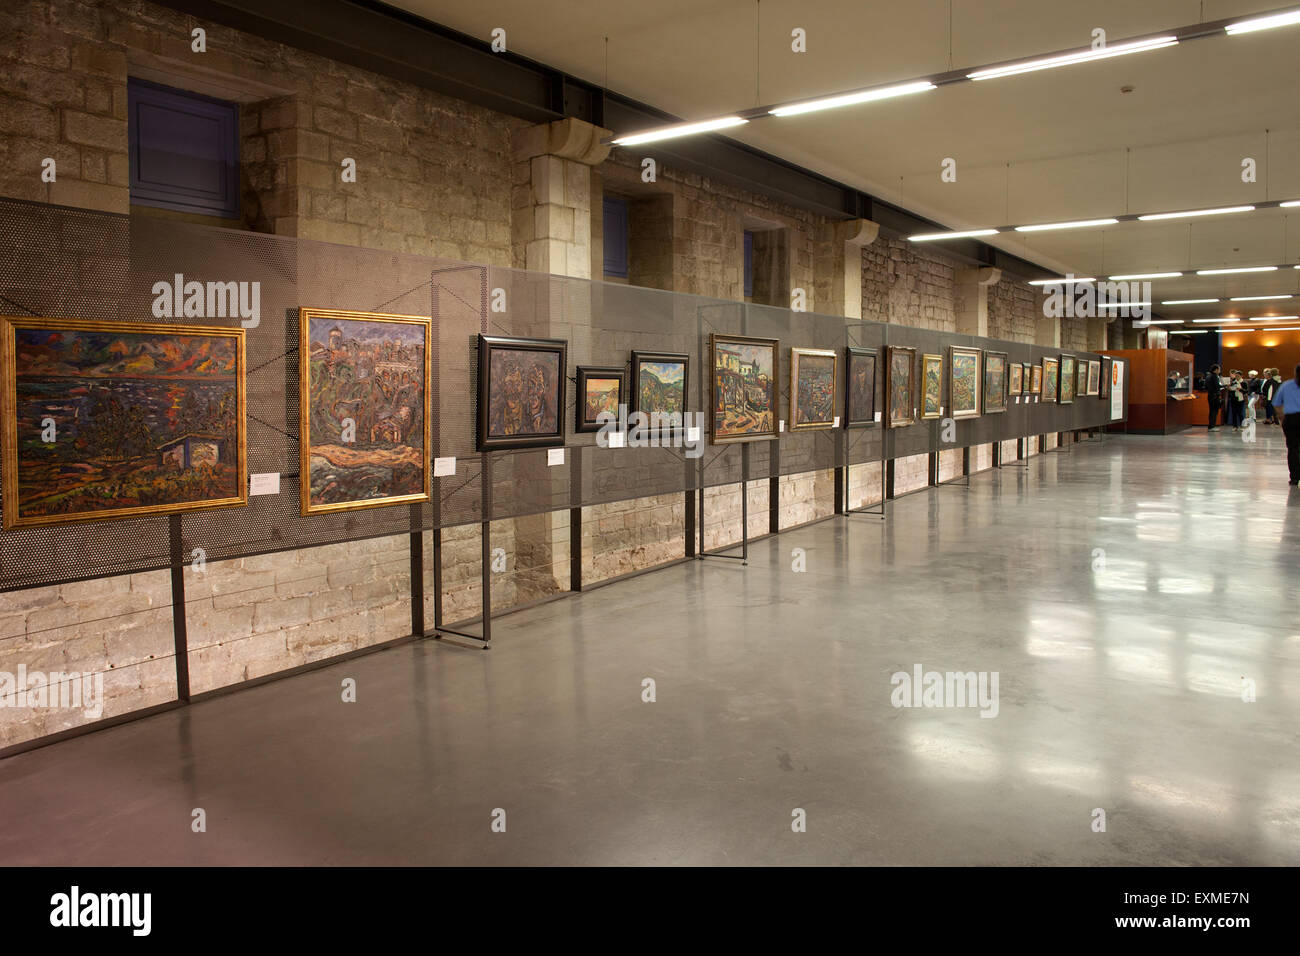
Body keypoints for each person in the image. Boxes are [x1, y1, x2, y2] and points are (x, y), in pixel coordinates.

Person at [1272, 363, 1300, 486]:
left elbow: (1277, 404)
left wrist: (1282, 417)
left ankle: (1294, 477)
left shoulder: (1286, 385)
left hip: (1291, 420)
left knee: (1292, 449)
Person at [1206, 364, 1223, 430]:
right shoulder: (1215, 376)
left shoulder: (1208, 376)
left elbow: (1206, 386)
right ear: (1216, 370)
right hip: (1215, 396)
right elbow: (1217, 386)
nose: (1219, 371)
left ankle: (1210, 425)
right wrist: (1224, 386)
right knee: (1214, 411)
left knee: (1211, 411)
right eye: (1219, 369)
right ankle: (1212, 426)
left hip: (1210, 395)